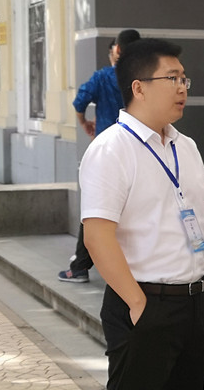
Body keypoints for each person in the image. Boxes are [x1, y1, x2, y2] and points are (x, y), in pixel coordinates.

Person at [80, 38, 204, 389]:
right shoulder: (111, 149)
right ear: (139, 88)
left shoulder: (184, 145)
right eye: (171, 78)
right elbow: (97, 237)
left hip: (194, 304)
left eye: (184, 79)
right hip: (145, 303)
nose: (182, 88)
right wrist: (138, 305)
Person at [58, 29, 141, 283]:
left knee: (96, 208)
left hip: (109, 151)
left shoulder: (104, 77)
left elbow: (79, 102)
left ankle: (80, 267)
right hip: (139, 149)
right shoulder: (144, 77)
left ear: (117, 50)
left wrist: (84, 123)